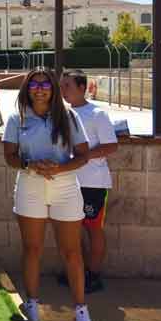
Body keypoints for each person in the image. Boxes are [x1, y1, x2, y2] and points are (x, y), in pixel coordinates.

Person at [2, 68, 93, 321]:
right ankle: (32, 303)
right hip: (30, 187)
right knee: (32, 249)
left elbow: (83, 154)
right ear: (27, 89)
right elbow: (9, 156)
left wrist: (59, 169)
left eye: (45, 83)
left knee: (72, 252)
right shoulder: (16, 117)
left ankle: (81, 309)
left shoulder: (68, 115)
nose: (40, 88)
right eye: (34, 83)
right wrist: (30, 164)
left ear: (53, 88)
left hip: (65, 189)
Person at [61, 70, 118, 294]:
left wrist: (83, 157)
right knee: (72, 231)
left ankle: (93, 275)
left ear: (82, 87)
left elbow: (111, 146)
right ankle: (78, 272)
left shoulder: (97, 114)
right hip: (68, 181)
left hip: (93, 182)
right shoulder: (63, 115)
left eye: (68, 86)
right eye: (62, 86)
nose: (63, 91)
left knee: (94, 230)